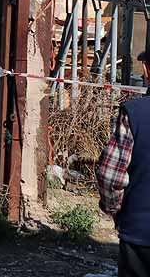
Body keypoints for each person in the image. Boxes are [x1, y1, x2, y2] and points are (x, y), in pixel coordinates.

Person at [98, 51, 150, 276]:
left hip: (140, 236)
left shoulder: (135, 113)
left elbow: (110, 176)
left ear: (146, 70)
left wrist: (115, 211)